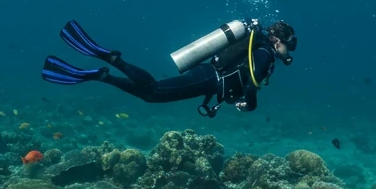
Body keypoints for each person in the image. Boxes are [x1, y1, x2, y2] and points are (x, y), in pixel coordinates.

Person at [42, 19, 296, 117]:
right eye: (288, 46)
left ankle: (103, 75)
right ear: (278, 41)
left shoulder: (258, 46)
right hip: (209, 79)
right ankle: (112, 60)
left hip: (208, 77)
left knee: (151, 96)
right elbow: (251, 84)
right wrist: (249, 105)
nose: (288, 52)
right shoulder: (265, 53)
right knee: (154, 89)